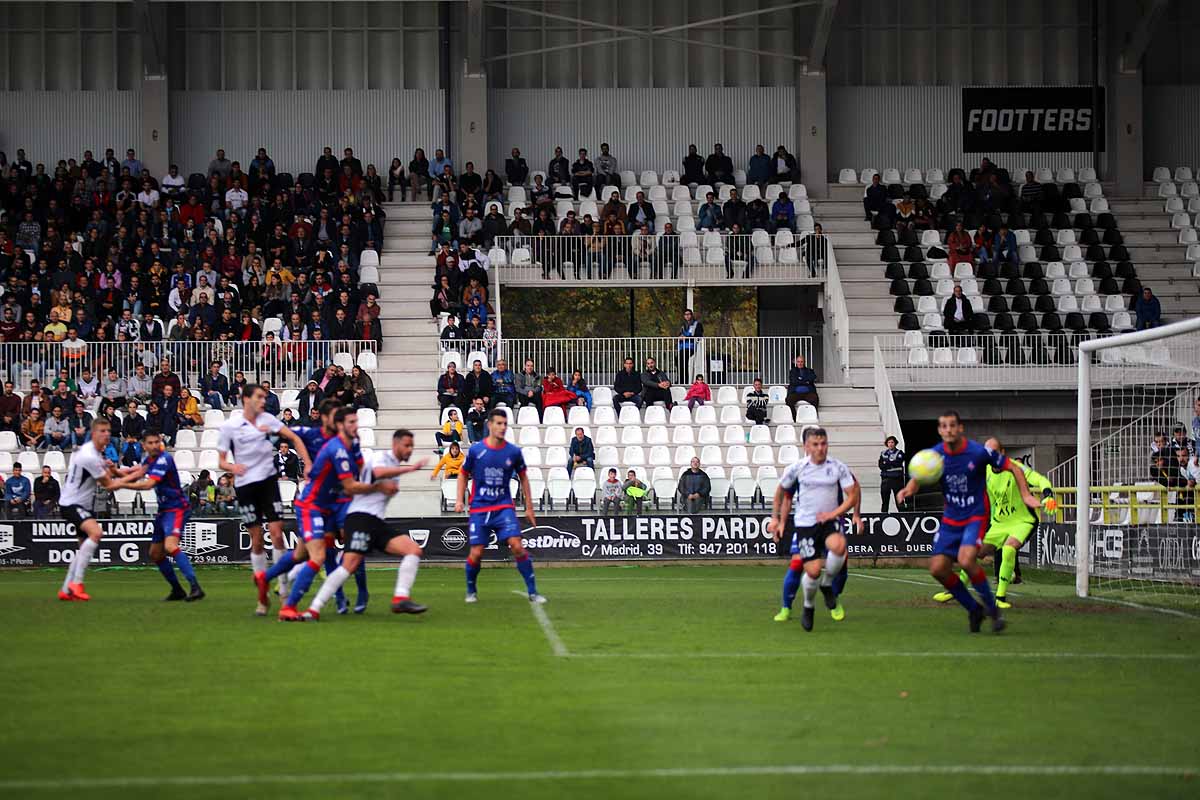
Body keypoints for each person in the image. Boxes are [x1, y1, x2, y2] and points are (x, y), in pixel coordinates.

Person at [896, 411, 1040, 633]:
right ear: (939, 430)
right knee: (938, 569)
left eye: (952, 425)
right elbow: (919, 475)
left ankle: (993, 611)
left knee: (966, 559)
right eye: (944, 426)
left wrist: (1025, 495)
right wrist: (909, 489)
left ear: (960, 428)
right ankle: (974, 609)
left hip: (975, 515)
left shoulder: (977, 452)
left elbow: (1013, 466)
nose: (948, 430)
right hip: (951, 518)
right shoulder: (935, 455)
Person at [279, 407, 402, 621]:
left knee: (353, 546)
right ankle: (337, 598)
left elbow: (361, 473)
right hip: (326, 503)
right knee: (324, 552)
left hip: (346, 502)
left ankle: (361, 592)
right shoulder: (328, 443)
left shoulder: (351, 445)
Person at [298, 429, 428, 620]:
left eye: (412, 446)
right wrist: (410, 469)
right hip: (359, 518)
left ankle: (400, 598)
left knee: (413, 550)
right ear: (395, 444)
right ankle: (313, 609)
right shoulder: (381, 457)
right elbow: (376, 472)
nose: (409, 450)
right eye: (406, 445)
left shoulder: (393, 464)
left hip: (375, 521)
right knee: (349, 565)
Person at [221, 384, 312, 616]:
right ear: (246, 399)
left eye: (264, 397)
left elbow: (295, 438)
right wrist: (233, 467)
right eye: (259, 397)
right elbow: (221, 461)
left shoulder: (269, 420)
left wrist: (308, 465)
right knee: (257, 540)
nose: (264, 400)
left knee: (277, 535)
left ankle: (283, 592)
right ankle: (262, 597)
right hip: (245, 486)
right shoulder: (231, 426)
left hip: (268, 483)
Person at [768, 427, 858, 630]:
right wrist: (777, 520)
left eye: (824, 443)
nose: (820, 448)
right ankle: (805, 606)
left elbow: (853, 493)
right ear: (806, 447)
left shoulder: (837, 467)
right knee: (811, 570)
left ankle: (828, 587)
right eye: (815, 444)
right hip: (805, 525)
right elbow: (782, 494)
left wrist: (836, 514)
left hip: (829, 521)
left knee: (840, 547)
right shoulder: (797, 468)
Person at [455, 409, 546, 604]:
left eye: (505, 424)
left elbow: (523, 478)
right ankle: (471, 590)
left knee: (518, 547)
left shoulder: (513, 452)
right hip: (480, 508)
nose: (502, 427)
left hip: (504, 507)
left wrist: (529, 507)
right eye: (498, 423)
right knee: (476, 552)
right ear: (490, 425)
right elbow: (463, 473)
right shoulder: (477, 450)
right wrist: (459, 499)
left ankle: (532, 591)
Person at [56, 419, 140, 601]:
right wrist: (139, 480)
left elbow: (114, 473)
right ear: (93, 433)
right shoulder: (89, 456)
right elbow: (110, 484)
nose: (107, 434)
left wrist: (138, 470)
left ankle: (66, 589)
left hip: (81, 505)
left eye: (108, 431)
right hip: (72, 504)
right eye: (102, 431)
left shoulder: (94, 453)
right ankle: (77, 584)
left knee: (82, 548)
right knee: (96, 532)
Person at [121, 429, 204, 601]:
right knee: (155, 554)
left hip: (177, 508)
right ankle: (177, 590)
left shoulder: (163, 459)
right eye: (149, 443)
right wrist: (112, 474)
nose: (153, 445)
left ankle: (195, 587)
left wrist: (117, 484)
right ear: (143, 445)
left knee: (171, 546)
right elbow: (137, 472)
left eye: (155, 442)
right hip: (164, 510)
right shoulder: (149, 459)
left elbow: (148, 483)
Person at [973, 445, 1055, 609]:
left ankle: (1001, 596)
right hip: (998, 523)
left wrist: (1048, 495)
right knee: (974, 553)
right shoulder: (986, 471)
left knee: (1008, 549)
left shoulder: (1015, 467)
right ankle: (955, 589)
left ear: (1002, 453)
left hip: (1021, 521)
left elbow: (1040, 479)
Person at [878, 436, 907, 512]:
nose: (890, 444)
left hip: (897, 480)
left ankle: (903, 517)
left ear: (895, 443)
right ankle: (883, 517)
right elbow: (881, 465)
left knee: (899, 501)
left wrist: (887, 463)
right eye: (889, 442)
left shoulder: (900, 453)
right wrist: (890, 464)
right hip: (885, 479)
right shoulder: (883, 453)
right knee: (885, 501)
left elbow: (898, 462)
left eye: (892, 442)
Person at [676, 309, 703, 381]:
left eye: (688, 314)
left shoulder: (697, 324)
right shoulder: (683, 325)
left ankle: (683, 380)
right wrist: (680, 336)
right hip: (682, 347)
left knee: (682, 360)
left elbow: (699, 335)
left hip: (691, 346)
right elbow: (679, 334)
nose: (687, 316)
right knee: (678, 361)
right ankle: (681, 379)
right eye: (685, 314)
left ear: (691, 315)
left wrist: (687, 338)